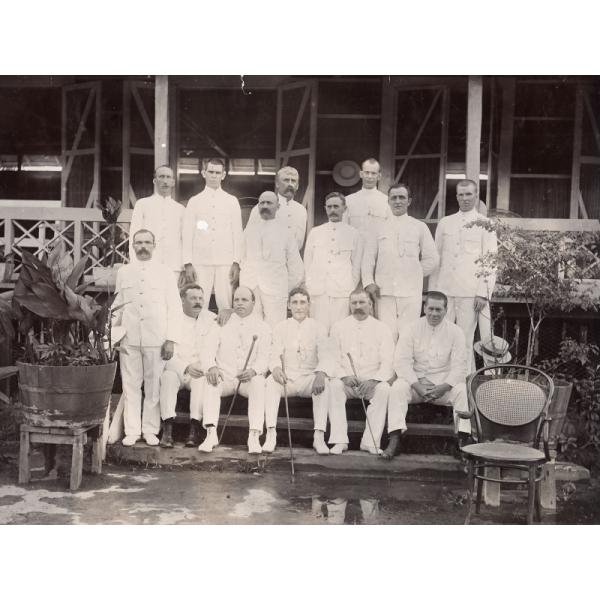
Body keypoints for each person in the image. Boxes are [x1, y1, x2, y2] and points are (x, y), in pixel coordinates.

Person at [112, 229, 183, 447]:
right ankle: (132, 431)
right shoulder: (124, 272)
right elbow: (117, 306)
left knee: (153, 387)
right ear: (133, 246)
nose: (143, 247)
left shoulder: (165, 273)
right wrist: (112, 335)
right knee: (131, 385)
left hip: (157, 338)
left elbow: (174, 307)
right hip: (130, 338)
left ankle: (150, 430)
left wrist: (170, 339)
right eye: (139, 243)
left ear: (154, 245)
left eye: (147, 243)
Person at [385, 291, 471, 459]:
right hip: (416, 385)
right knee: (397, 388)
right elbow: (401, 362)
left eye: (438, 310)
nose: (434, 314)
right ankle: (394, 439)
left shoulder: (456, 332)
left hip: (442, 386)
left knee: (461, 390)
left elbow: (460, 366)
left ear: (446, 310)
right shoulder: (411, 328)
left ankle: (461, 441)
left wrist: (444, 387)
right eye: (430, 308)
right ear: (424, 308)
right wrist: (416, 385)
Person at [264, 288, 347, 455]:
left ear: (309, 305)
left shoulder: (319, 327)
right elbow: (274, 354)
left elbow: (326, 355)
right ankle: (271, 434)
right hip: (287, 379)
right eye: (294, 302)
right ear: (288, 305)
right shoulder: (281, 327)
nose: (299, 307)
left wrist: (321, 373)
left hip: (309, 378)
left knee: (324, 383)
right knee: (269, 382)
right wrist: (276, 368)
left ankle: (319, 436)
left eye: (302, 302)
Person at [428, 179, 497, 372]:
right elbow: (436, 259)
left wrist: (483, 292)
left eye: (469, 194)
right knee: (443, 338)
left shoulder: (486, 224)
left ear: (476, 196)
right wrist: (434, 292)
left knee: (465, 340)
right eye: (461, 194)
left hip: (470, 292)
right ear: (456, 196)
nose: (465, 198)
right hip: (445, 291)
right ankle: (444, 385)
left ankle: (465, 384)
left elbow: (490, 261)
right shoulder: (445, 223)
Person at [199, 286, 271, 454]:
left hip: (247, 380)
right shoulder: (220, 324)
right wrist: (212, 367)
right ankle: (211, 433)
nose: (240, 303)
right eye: (236, 300)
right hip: (226, 377)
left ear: (253, 303)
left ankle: (254, 435)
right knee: (211, 381)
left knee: (259, 383)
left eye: (244, 300)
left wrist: (254, 371)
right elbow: (207, 350)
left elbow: (264, 358)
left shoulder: (263, 327)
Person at [362, 183, 439, 340]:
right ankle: (389, 365)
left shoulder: (419, 226)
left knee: (408, 334)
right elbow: (368, 258)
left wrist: (414, 273)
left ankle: (404, 365)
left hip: (410, 291)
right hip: (384, 291)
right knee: (386, 334)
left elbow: (432, 258)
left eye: (402, 197)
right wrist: (369, 282)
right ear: (388, 201)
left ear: (409, 201)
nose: (398, 201)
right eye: (394, 198)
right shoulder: (377, 228)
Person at [330, 290, 395, 455]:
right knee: (333, 386)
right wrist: (344, 376)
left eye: (362, 302)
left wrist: (374, 380)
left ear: (371, 305)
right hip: (347, 382)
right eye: (354, 303)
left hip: (370, 383)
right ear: (349, 305)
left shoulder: (382, 328)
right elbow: (332, 358)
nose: (358, 306)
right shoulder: (338, 327)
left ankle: (370, 442)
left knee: (384, 389)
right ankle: (339, 440)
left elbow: (388, 362)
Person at [158, 283, 217, 448]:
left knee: (200, 380)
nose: (198, 302)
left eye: (200, 298)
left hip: (197, 369)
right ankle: (167, 429)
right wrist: (185, 367)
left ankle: (194, 428)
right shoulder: (171, 320)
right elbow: (166, 354)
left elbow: (211, 348)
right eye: (193, 298)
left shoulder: (211, 319)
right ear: (182, 300)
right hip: (176, 368)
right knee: (167, 378)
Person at [182, 158, 243, 310]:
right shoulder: (194, 201)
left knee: (226, 304)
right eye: (211, 172)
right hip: (200, 260)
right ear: (204, 173)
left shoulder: (232, 201)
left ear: (223, 175)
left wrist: (236, 262)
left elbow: (237, 232)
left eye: (217, 172)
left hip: (225, 261)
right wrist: (188, 263)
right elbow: (188, 233)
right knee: (199, 302)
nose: (214, 176)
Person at [240, 190, 304, 327]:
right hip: (251, 286)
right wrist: (245, 282)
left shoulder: (286, 233)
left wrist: (284, 288)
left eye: (269, 203)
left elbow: (296, 267)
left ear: (278, 207)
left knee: (276, 327)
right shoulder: (248, 231)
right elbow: (241, 258)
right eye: (262, 203)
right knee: (251, 326)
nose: (265, 206)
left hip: (276, 289)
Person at [304, 192, 363, 333]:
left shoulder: (353, 233)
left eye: (336, 206)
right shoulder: (315, 232)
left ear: (344, 209)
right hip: (318, 291)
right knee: (318, 331)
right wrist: (310, 284)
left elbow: (356, 265)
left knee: (340, 331)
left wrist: (349, 287)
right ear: (325, 209)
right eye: (329, 207)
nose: (332, 210)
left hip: (342, 291)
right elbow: (308, 261)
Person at [128, 165, 184, 278]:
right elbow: (134, 235)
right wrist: (135, 262)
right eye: (161, 177)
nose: (165, 181)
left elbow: (183, 239)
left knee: (170, 295)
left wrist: (182, 266)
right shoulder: (143, 204)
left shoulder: (180, 209)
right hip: (148, 261)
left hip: (173, 264)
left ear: (173, 182)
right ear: (154, 181)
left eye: (168, 177)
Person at [246, 165, 307, 249]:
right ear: (277, 184)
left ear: (297, 186)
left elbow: (299, 242)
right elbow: (248, 237)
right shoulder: (261, 207)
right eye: (286, 180)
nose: (290, 184)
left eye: (293, 181)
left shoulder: (301, 210)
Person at [343, 158, 391, 240]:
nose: (369, 176)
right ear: (361, 174)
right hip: (355, 249)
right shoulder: (348, 200)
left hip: (378, 250)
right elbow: (343, 229)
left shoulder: (386, 201)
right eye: (367, 173)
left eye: (373, 173)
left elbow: (390, 231)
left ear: (379, 176)